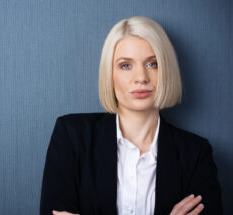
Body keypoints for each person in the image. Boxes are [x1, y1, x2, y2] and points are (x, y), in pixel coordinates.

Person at [40, 16, 222, 215]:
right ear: (110, 74)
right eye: (126, 65)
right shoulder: (71, 136)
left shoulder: (196, 153)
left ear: (166, 70)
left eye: (153, 64)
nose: (141, 78)